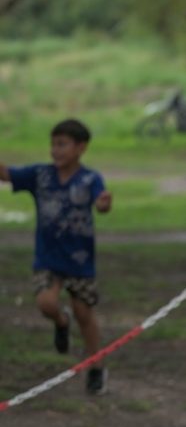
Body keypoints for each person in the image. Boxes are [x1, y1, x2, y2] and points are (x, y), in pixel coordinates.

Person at [0, 118, 112, 394]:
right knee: (46, 303)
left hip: (79, 260)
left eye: (62, 144)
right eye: (53, 144)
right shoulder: (40, 175)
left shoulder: (90, 179)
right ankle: (61, 322)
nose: (55, 150)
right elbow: (7, 174)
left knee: (84, 313)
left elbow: (101, 204)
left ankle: (96, 366)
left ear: (81, 147)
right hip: (48, 258)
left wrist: (103, 204)